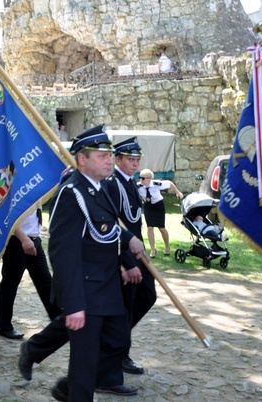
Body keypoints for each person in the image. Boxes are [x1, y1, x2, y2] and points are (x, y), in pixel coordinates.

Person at [35, 125, 146, 401]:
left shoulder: (103, 188)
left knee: (119, 340)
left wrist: (129, 240)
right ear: (81, 159)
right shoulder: (71, 194)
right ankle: (75, 390)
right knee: (84, 360)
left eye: (109, 154)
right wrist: (73, 305)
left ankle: (68, 387)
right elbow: (63, 254)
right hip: (85, 287)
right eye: (101, 155)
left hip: (108, 284)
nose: (109, 159)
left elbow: (108, 227)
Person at [104, 137, 155, 376]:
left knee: (147, 295)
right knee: (125, 305)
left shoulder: (130, 182)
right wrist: (124, 262)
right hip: (124, 255)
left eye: (137, 160)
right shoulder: (112, 183)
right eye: (130, 160)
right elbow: (114, 227)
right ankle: (119, 351)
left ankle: (115, 339)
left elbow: (134, 222)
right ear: (118, 159)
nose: (135, 164)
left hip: (138, 251)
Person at [0, 208, 61, 340]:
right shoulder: (13, 187)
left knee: (46, 282)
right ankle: (3, 326)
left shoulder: (34, 186)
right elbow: (6, 215)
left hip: (35, 240)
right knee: (10, 284)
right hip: (17, 241)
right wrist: (24, 239)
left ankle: (59, 321)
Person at [138, 168, 183, 258]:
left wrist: (178, 192)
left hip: (158, 206)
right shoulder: (138, 186)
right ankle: (153, 249)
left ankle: (167, 247)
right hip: (148, 206)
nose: (141, 180)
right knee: (150, 227)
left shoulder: (156, 184)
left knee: (161, 228)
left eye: (143, 178)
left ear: (149, 178)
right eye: (140, 178)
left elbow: (170, 184)